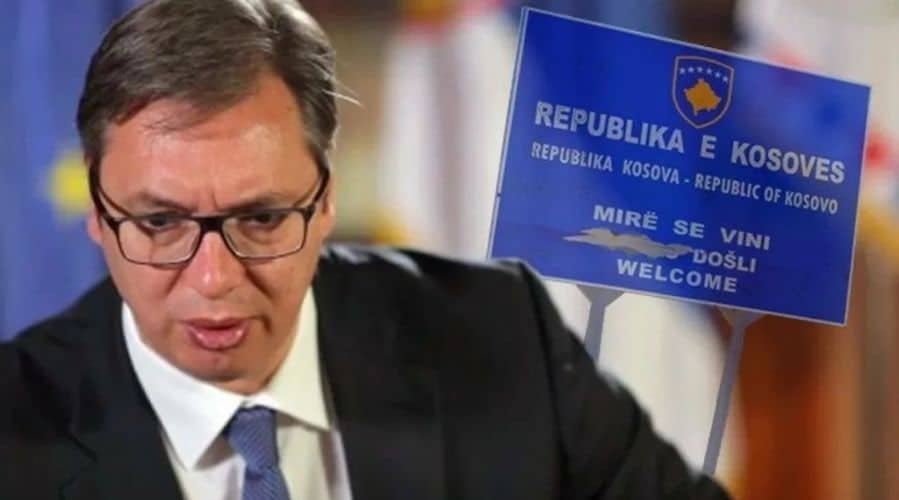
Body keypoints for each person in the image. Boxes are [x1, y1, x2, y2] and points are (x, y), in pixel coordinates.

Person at [0, 1, 730, 499]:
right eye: (160, 224)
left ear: (326, 201)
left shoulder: (501, 336)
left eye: (262, 219)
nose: (214, 279)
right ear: (98, 213)